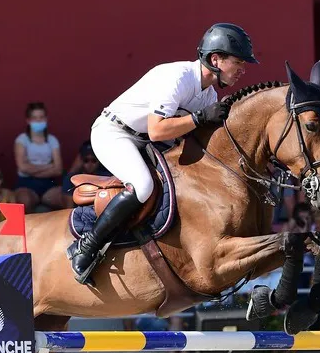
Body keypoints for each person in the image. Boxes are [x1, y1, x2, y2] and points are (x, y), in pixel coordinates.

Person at [70, 23, 257, 284]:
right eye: (238, 62)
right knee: (143, 186)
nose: (242, 70)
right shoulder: (178, 78)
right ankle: (87, 247)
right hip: (114, 133)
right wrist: (200, 117)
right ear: (216, 59)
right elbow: (157, 130)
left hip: (145, 142)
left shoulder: (208, 94)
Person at [13, 102, 65, 211]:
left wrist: (31, 168)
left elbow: (58, 170)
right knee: (24, 201)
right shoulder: (22, 140)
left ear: (46, 119)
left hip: (48, 184)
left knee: (65, 197)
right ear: (28, 120)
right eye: (34, 118)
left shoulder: (52, 140)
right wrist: (48, 166)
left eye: (41, 117)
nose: (38, 120)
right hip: (26, 183)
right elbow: (22, 167)